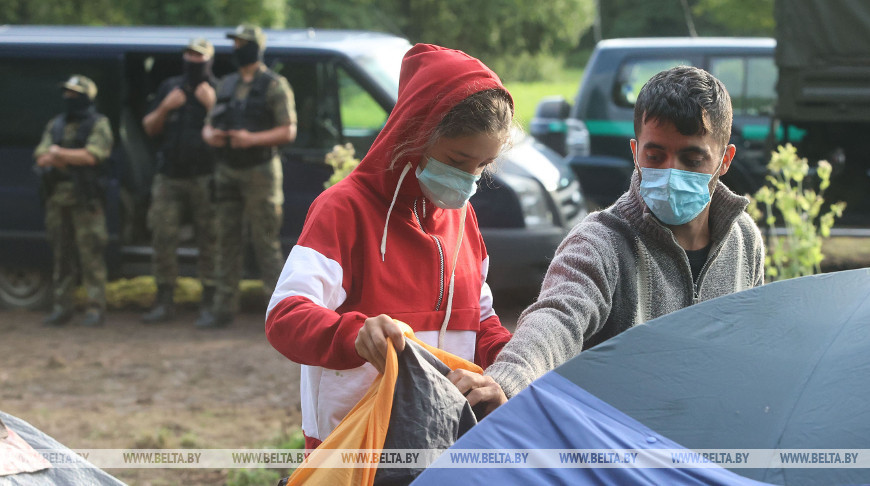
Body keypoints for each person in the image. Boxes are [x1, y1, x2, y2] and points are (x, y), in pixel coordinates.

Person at [450, 65, 766, 410]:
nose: (671, 173)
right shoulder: (601, 242)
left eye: (692, 159)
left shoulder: (743, 239)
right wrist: (508, 379)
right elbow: (558, 317)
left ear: (725, 159)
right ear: (635, 152)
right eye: (655, 156)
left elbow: (752, 341)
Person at [264, 44, 514, 450]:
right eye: (457, 160)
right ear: (415, 134)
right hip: (353, 448)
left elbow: (482, 322)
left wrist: (504, 372)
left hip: (445, 446)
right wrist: (354, 334)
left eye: (482, 166)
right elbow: (284, 317)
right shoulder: (344, 209)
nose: (468, 180)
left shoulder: (462, 218)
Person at [199, 24, 297, 328]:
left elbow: (289, 130)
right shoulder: (226, 83)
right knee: (225, 238)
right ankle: (223, 308)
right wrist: (211, 135)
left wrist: (251, 139)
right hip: (228, 169)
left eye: (242, 44)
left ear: (255, 47)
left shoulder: (274, 85)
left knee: (265, 241)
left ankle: (279, 314)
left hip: (260, 172)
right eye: (235, 43)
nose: (236, 49)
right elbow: (208, 124)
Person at [140, 38, 218, 325]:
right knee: (162, 236)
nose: (194, 61)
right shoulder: (169, 88)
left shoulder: (218, 90)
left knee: (210, 239)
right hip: (169, 175)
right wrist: (165, 107)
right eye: (190, 55)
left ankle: (209, 302)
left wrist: (211, 106)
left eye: (200, 57)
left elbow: (228, 135)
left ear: (209, 60)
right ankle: (164, 300)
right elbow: (149, 127)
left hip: (205, 176)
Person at [34, 75, 113, 327]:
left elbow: (92, 156)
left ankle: (95, 308)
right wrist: (67, 157)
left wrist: (59, 154)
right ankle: (62, 307)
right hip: (58, 198)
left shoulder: (99, 124)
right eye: (67, 93)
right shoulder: (55, 124)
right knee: (61, 255)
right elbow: (41, 157)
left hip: (85, 199)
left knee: (91, 255)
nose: (69, 98)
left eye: (75, 94)